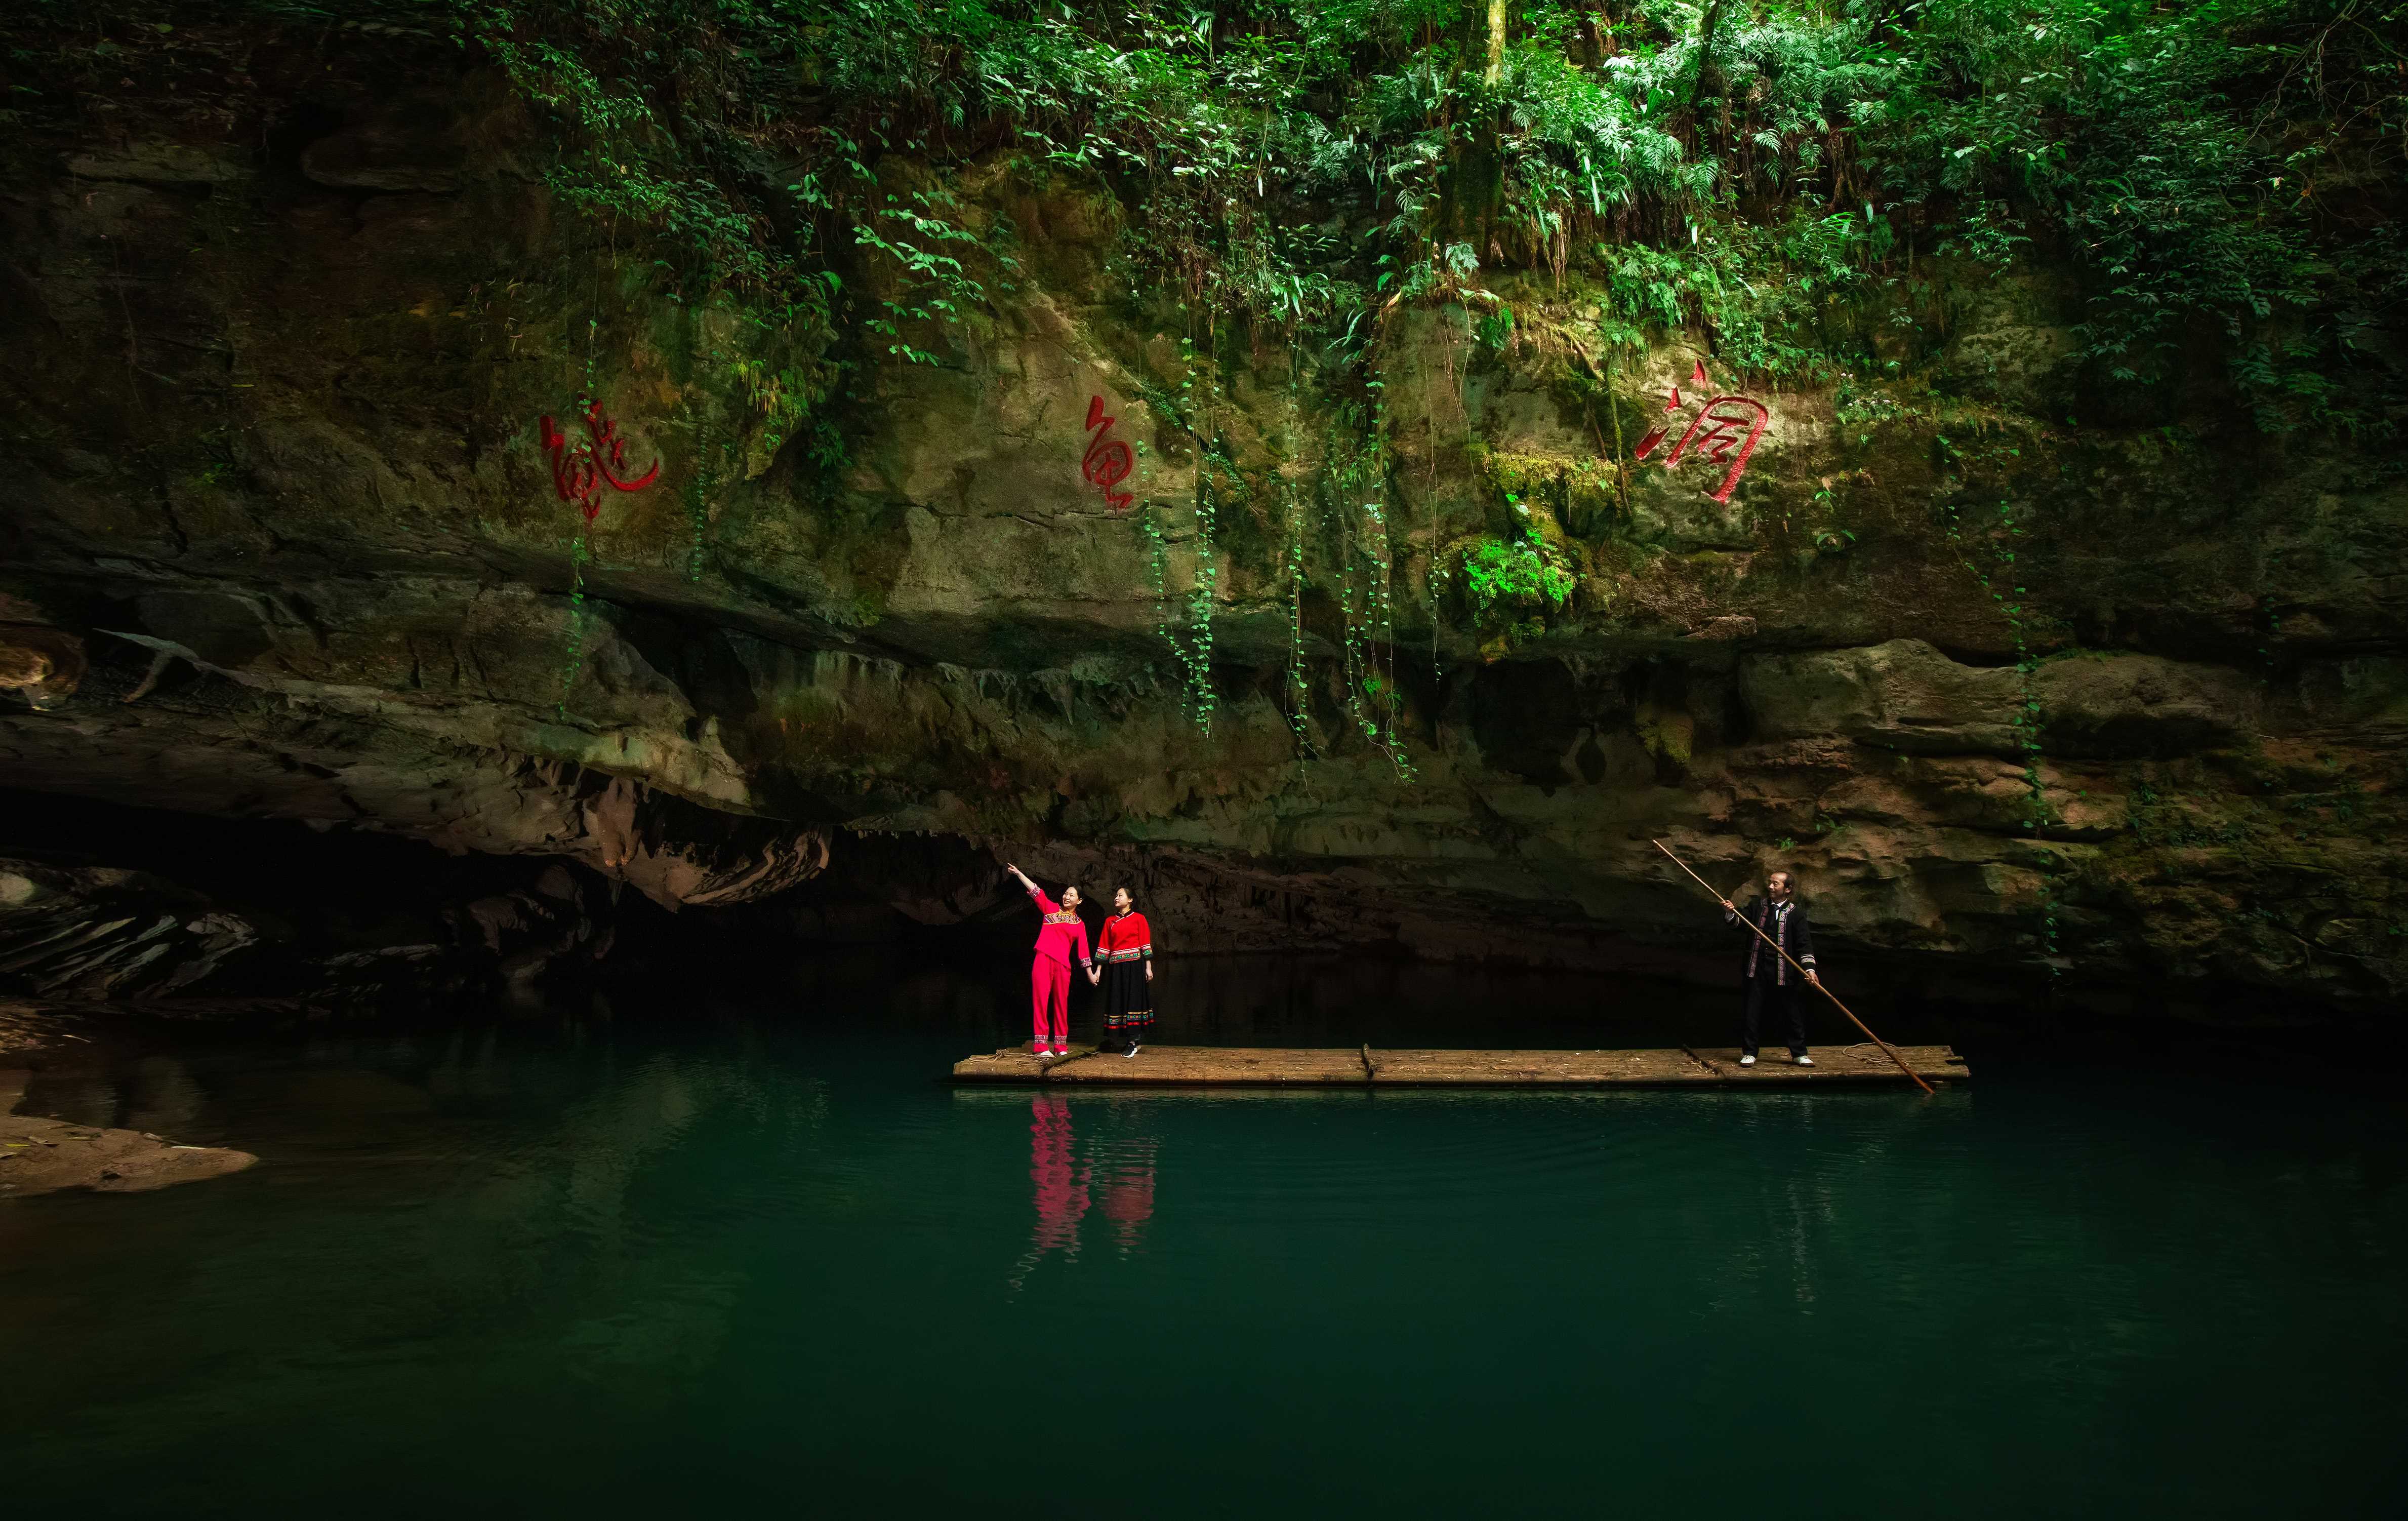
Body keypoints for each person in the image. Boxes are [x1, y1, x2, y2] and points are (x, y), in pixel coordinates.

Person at [1721, 869, 1819, 1067]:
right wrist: (1730, 913)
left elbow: (1804, 945)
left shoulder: (1796, 914)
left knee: (1792, 1012)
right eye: (1770, 883)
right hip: (1756, 969)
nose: (1771, 887)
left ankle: (1799, 1053)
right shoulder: (1758, 906)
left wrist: (1810, 969)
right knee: (1752, 1011)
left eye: (1776, 884)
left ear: (1788, 889)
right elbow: (1740, 924)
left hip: (1784, 972)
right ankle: (1749, 1053)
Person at [1006, 862, 1091, 1059]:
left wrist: (1090, 973)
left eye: (1071, 895)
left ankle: (1061, 1046)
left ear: (1079, 901)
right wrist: (1020, 874)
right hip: (1043, 960)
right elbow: (1036, 890)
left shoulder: (1079, 924)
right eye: (1066, 894)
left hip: (1063, 966)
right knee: (1041, 1002)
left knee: (1061, 1005)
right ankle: (1041, 1047)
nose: (1066, 897)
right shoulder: (1050, 909)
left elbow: (1084, 952)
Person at [1089, 886, 1155, 1057]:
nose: (1116, 898)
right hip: (1116, 968)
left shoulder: (1139, 919)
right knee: (1117, 1001)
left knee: (1133, 1002)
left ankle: (1133, 1042)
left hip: (1135, 966)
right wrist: (1098, 971)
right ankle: (1119, 1040)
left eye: (1120, 895)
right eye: (1116, 896)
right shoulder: (1110, 921)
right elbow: (1104, 946)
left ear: (1130, 900)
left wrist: (1148, 968)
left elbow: (1145, 943)